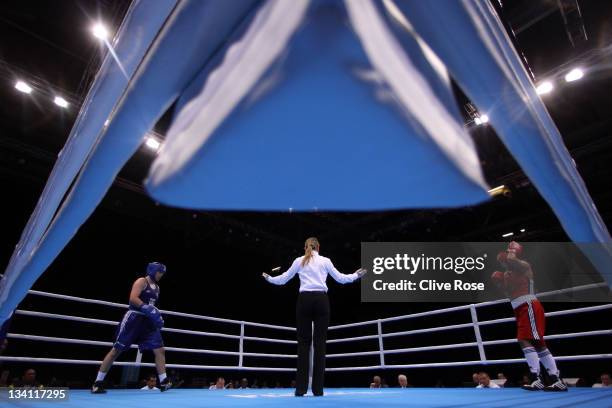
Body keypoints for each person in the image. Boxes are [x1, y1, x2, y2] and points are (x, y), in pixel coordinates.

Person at [263, 237, 366, 397]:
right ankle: (318, 390)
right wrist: (355, 276)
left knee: (303, 345)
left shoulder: (299, 261)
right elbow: (340, 278)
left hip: (304, 300)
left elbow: (283, 279)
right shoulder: (325, 260)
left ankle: (301, 389)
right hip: (321, 300)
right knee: (320, 345)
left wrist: (270, 279)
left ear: (306, 247)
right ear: (319, 247)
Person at [491, 242, 567, 392]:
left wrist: (512, 249)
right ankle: (555, 380)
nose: (503, 263)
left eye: (505, 258)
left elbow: (513, 261)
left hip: (529, 305)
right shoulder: (507, 275)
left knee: (524, 339)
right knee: (538, 343)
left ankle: (537, 378)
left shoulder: (524, 266)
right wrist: (499, 283)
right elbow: (509, 294)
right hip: (519, 309)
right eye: (501, 262)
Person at [91, 262, 172, 393]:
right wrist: (147, 309)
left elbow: (152, 306)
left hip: (147, 322)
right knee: (116, 350)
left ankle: (164, 381)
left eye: (162, 273)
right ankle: (97, 383)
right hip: (134, 318)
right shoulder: (141, 281)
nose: (161, 275)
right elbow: (133, 299)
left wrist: (157, 314)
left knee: (160, 349)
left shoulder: (157, 288)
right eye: (159, 272)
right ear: (153, 270)